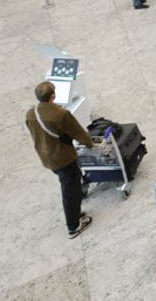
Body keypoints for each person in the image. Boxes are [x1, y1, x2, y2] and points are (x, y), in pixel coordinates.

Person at [25, 81, 98, 239]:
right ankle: (74, 226)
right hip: (63, 158)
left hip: (46, 157)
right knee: (70, 191)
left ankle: (75, 211)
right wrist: (90, 143)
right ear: (53, 95)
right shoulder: (60, 115)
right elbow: (78, 132)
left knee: (73, 181)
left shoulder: (31, 113)